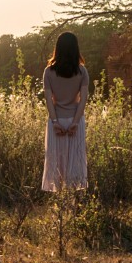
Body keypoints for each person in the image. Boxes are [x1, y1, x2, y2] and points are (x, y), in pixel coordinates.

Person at [42, 31, 89, 194]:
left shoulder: (48, 72)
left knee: (57, 160)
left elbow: (49, 100)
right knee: (75, 161)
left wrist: (55, 122)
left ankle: (60, 202)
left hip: (57, 121)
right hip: (76, 121)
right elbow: (83, 100)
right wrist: (75, 122)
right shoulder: (82, 72)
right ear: (76, 48)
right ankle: (73, 202)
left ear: (58, 48)